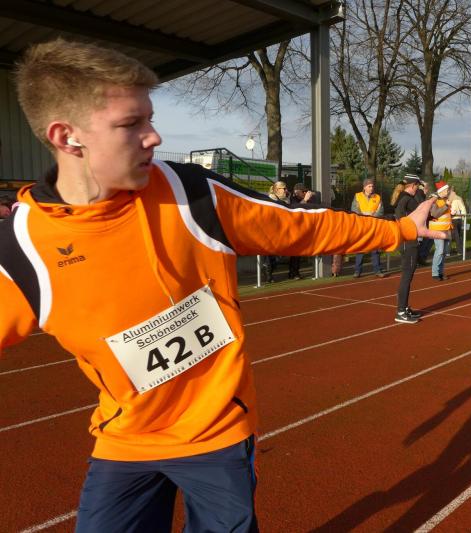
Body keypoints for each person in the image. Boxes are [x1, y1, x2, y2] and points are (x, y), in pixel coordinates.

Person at [1, 39, 445, 533]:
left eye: (151, 118)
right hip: (124, 440)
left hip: (218, 433)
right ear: (66, 137)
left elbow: (303, 226)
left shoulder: (193, 194)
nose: (153, 136)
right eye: (131, 123)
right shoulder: (20, 249)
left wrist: (400, 230)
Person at [391, 175, 425, 324]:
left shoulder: (402, 198)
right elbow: (422, 211)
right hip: (408, 242)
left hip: (406, 241)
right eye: (417, 186)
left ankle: (404, 308)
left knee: (407, 277)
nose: (418, 189)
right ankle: (401, 311)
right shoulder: (407, 199)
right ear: (412, 185)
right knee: (406, 277)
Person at [351, 178, 387, 278]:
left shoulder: (378, 197)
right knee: (360, 249)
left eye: (372, 186)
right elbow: (354, 210)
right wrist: (365, 217)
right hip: (362, 227)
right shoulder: (357, 196)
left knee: (375, 250)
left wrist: (372, 217)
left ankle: (377, 270)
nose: (371, 188)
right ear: (364, 187)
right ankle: (357, 271)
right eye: (369, 186)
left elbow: (380, 211)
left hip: (374, 227)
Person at [260, 181, 291, 282]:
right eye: (284, 189)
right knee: (269, 255)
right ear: (277, 190)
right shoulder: (271, 199)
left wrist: (287, 199)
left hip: (279, 231)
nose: (286, 191)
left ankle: (268, 270)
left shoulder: (285, 199)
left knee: (277, 255)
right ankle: (268, 274)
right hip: (269, 231)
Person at [287, 182, 318, 280]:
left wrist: (311, 196)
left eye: (305, 192)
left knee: (299, 253)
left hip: (304, 228)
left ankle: (296, 272)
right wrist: (305, 200)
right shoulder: (293, 198)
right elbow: (296, 209)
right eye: (303, 192)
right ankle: (293, 273)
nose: (305, 193)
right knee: (295, 253)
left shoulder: (306, 197)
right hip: (294, 229)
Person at [429, 180, 452, 281]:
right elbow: (434, 214)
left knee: (444, 252)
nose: (448, 191)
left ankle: (441, 272)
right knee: (440, 251)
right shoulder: (434, 200)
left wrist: (452, 212)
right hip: (438, 230)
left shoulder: (445, 200)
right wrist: (446, 206)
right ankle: (435, 272)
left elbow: (445, 214)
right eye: (446, 190)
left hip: (446, 229)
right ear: (441, 191)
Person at [416, 180, 433, 266]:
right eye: (426, 188)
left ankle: (421, 258)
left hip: (423, 222)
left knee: (428, 240)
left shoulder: (422, 196)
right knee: (426, 240)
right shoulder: (419, 195)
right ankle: (420, 258)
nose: (427, 189)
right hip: (420, 223)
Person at [448, 186, 467, 256]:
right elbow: (463, 209)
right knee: (458, 235)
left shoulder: (448, 198)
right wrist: (463, 219)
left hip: (452, 219)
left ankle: (448, 251)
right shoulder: (459, 198)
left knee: (450, 235)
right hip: (458, 219)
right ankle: (459, 251)